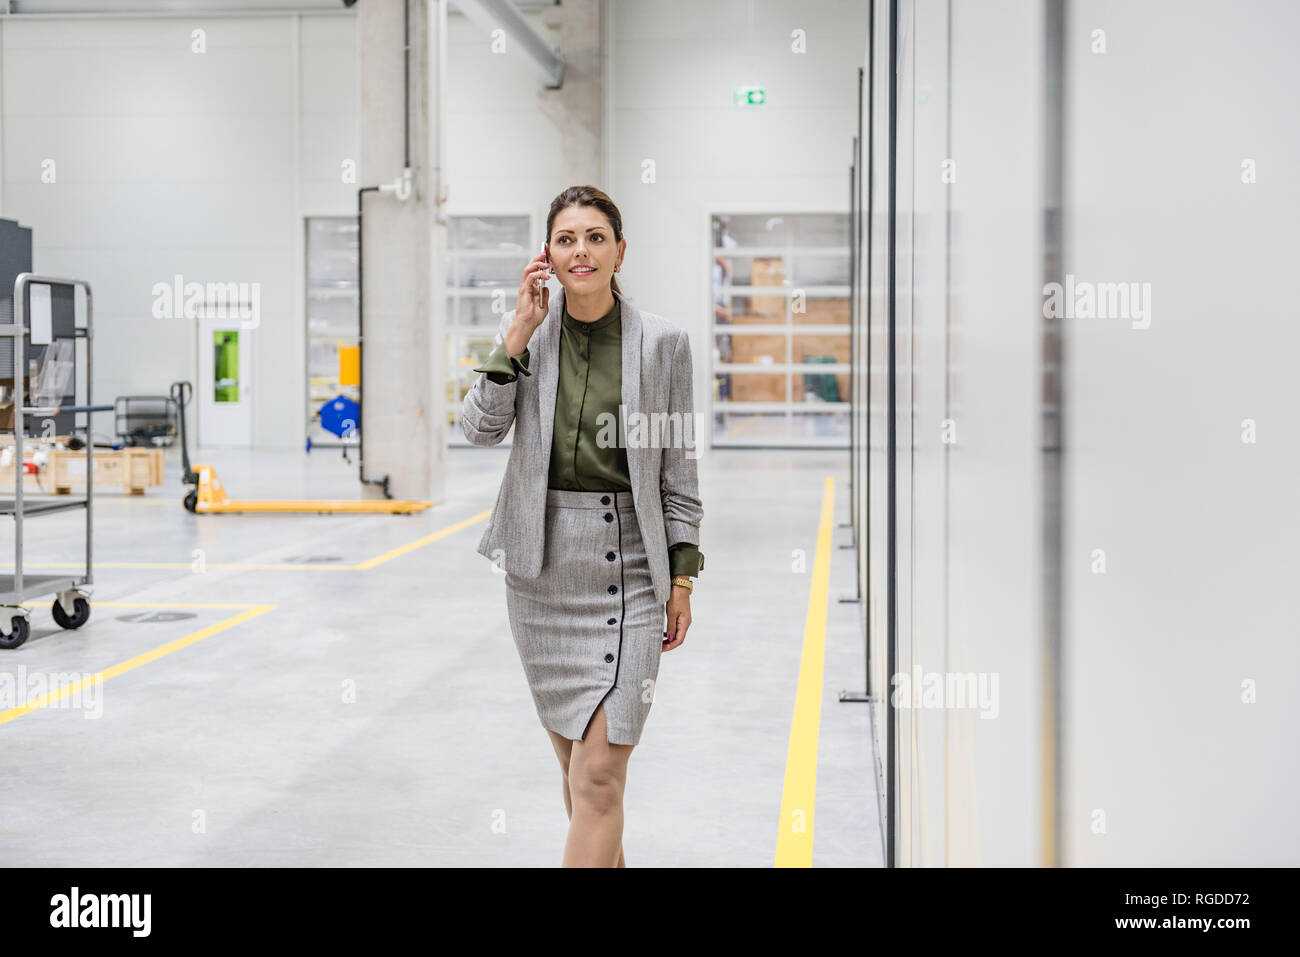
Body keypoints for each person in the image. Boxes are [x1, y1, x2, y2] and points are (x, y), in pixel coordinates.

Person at [461, 185, 704, 867]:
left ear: (620, 251)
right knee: (582, 781)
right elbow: (479, 428)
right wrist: (513, 334)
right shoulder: (530, 338)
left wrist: (681, 577)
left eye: (596, 237)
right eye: (567, 238)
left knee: (597, 776)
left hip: (630, 567)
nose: (582, 251)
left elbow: (679, 474)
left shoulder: (664, 345)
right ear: (548, 254)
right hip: (542, 574)